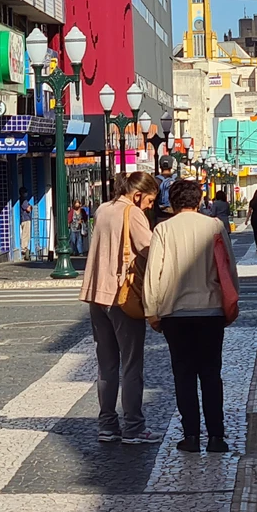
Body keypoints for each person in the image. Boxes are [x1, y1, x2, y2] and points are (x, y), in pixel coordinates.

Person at [144, 180, 239, 454]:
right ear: (199, 201)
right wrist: (230, 304)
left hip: (175, 313)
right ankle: (216, 437)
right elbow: (228, 267)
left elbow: (154, 272)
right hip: (211, 310)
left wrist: (151, 310)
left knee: (183, 375)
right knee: (211, 374)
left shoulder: (163, 229)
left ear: (172, 202)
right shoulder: (214, 226)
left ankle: (191, 437)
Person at [80, 171, 163, 445]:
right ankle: (134, 427)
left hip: (97, 295)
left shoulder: (103, 209)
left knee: (106, 365)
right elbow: (151, 250)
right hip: (122, 296)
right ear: (137, 195)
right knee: (131, 364)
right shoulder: (132, 213)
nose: (150, 206)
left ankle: (107, 426)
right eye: (149, 200)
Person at [155, 156, 178, 225]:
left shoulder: (155, 181)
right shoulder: (177, 180)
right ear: (171, 166)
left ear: (160, 166)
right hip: (174, 215)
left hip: (160, 216)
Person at [18, 186, 33, 260]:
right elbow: (28, 209)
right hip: (25, 219)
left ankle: (25, 248)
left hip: (24, 219)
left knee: (26, 234)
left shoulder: (22, 200)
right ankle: (24, 249)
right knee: (26, 234)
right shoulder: (24, 201)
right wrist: (30, 206)